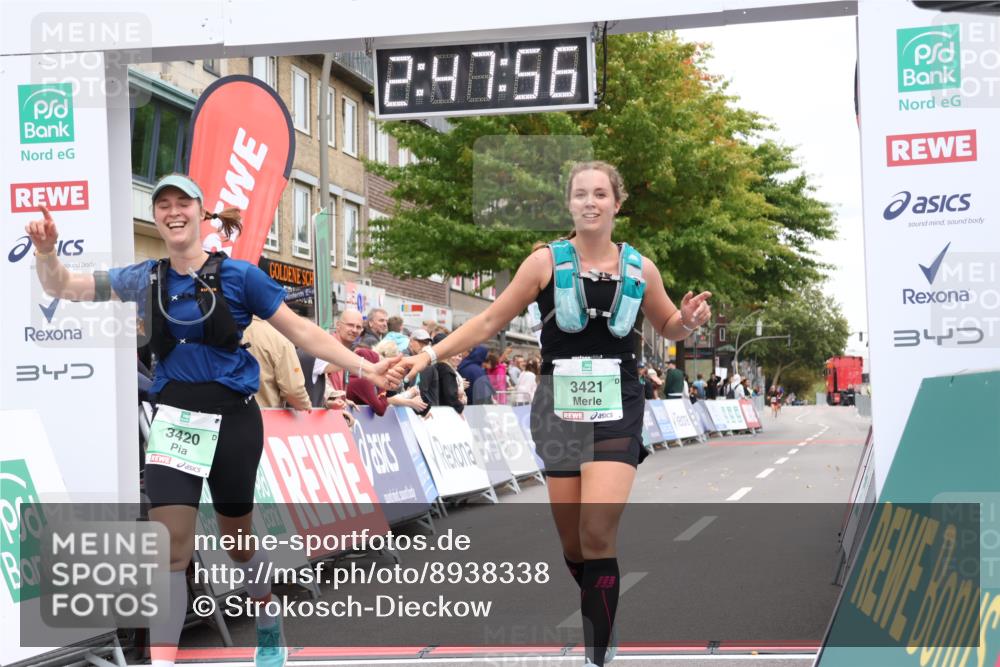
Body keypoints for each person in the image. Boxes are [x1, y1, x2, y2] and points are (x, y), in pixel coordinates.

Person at [25, 174, 399, 667]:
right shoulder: (142, 278)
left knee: (237, 543)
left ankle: (267, 615)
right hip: (176, 422)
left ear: (201, 214)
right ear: (156, 216)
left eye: (184, 203)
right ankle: (162, 662)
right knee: (170, 553)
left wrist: (365, 366)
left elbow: (302, 331)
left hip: (234, 422)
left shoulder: (241, 277)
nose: (173, 211)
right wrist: (47, 254)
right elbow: (63, 287)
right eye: (164, 204)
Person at [388, 161, 712, 667]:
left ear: (616, 204)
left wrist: (685, 322)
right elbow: (492, 318)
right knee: (574, 541)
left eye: (600, 194)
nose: (590, 201)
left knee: (598, 530)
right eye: (580, 194)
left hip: (617, 403)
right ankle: (598, 603)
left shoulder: (640, 267)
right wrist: (428, 355)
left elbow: (667, 324)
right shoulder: (543, 262)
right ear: (570, 204)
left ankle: (596, 651)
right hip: (558, 405)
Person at [242, 316, 312, 411]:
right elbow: (293, 390)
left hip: (222, 418)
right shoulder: (277, 337)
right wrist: (306, 405)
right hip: (265, 417)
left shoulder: (223, 328)